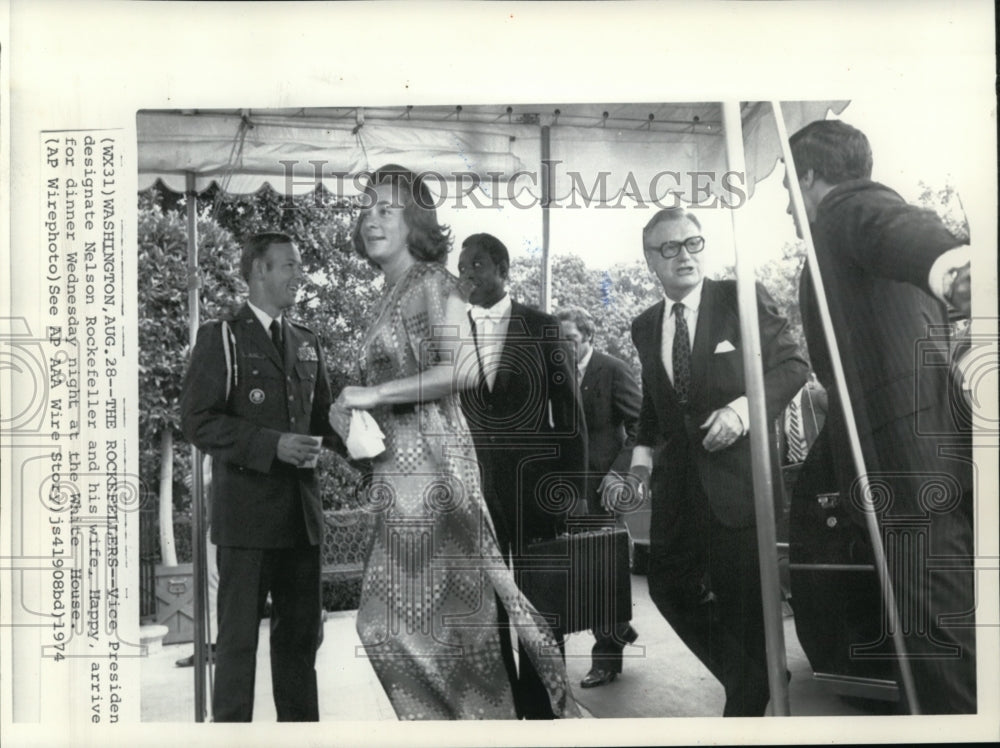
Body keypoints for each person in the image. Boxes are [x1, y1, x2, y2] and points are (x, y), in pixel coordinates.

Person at [328, 166, 579, 720]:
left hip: (436, 476)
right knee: (413, 630)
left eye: (386, 209)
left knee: (396, 626)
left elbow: (462, 369)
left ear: (416, 220)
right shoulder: (391, 293)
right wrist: (347, 413)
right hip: (399, 480)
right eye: (366, 209)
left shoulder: (433, 283)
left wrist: (372, 394)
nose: (371, 218)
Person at [786, 119, 975, 714]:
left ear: (809, 175)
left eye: (787, 185)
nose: (787, 204)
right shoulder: (844, 239)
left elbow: (897, 227)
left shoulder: (848, 211)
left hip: (907, 462)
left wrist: (955, 267)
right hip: (920, 452)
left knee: (938, 626)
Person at [628, 207, 809, 716]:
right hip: (679, 488)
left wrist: (742, 411)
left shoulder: (740, 299)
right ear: (649, 260)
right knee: (665, 585)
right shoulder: (644, 326)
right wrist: (640, 466)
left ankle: (746, 702)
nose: (683, 255)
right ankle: (752, 678)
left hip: (739, 487)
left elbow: (793, 365)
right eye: (669, 248)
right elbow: (652, 404)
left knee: (743, 609)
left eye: (692, 243)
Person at [180, 231, 334, 722]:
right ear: (259, 270)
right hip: (245, 524)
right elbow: (197, 420)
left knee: (299, 650)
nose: (298, 274)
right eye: (288, 265)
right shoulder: (221, 337)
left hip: (300, 523)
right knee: (237, 649)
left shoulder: (307, 341)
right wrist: (273, 446)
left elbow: (326, 421)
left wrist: (349, 444)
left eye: (298, 264)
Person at [456, 232, 588, 719]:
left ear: (503, 270)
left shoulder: (543, 326)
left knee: (538, 607)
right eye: (462, 265)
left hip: (535, 494)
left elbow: (570, 417)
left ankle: (543, 709)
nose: (467, 273)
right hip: (476, 495)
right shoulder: (452, 330)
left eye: (478, 264)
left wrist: (570, 491)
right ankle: (505, 707)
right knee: (488, 608)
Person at [555, 307, 641, 689]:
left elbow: (642, 425)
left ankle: (606, 660)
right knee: (580, 573)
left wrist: (619, 472)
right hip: (568, 494)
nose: (562, 346)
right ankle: (618, 629)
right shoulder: (556, 374)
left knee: (601, 575)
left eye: (569, 339)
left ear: (588, 336)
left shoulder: (613, 370)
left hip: (605, 490)